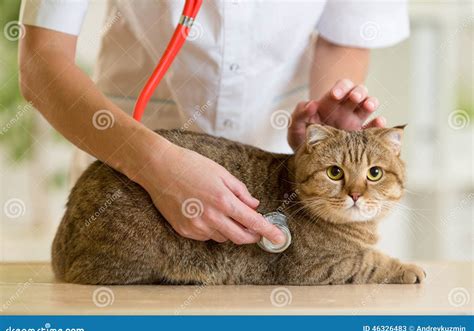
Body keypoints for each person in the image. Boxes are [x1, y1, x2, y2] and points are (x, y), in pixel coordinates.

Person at [18, 0, 409, 245]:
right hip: (133, 175)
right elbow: (42, 63)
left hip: (282, 183)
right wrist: (155, 167)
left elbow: (345, 35)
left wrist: (322, 138)